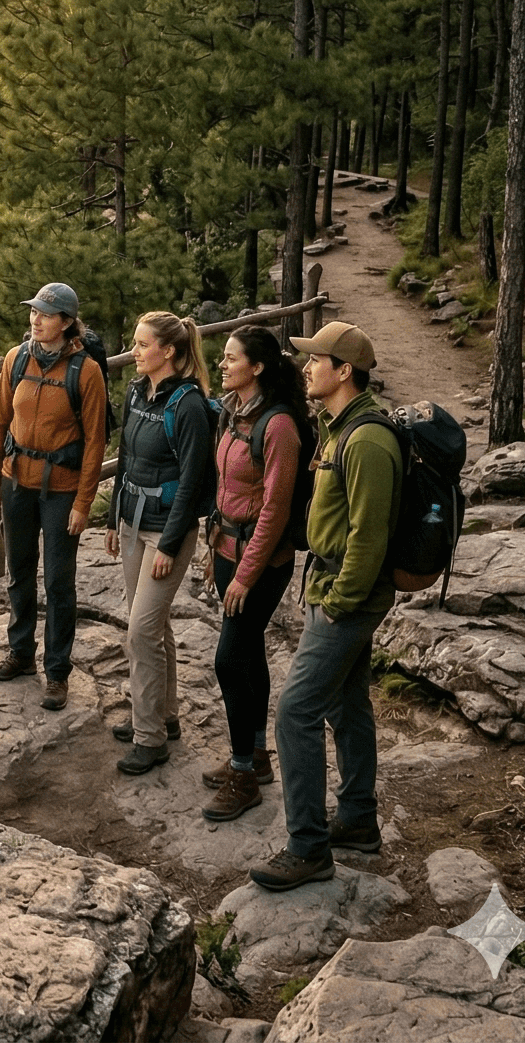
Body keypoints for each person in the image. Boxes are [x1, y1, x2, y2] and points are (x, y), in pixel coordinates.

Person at [251, 321, 393, 892]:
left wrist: (337, 603)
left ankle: (308, 846)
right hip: (331, 586)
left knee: (294, 712)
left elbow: (368, 536)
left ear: (344, 372)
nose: (306, 367)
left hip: (346, 595)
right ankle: (357, 819)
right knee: (345, 703)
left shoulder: (368, 441)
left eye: (317, 360)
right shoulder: (341, 428)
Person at [0, 282, 110, 712]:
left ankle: (56, 672)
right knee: (19, 571)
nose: (35, 319)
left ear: (67, 322)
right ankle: (20, 654)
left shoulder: (86, 371)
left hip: (61, 490)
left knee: (58, 582)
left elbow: (96, 441)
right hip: (17, 480)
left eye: (45, 313)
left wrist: (82, 503)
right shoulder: (15, 360)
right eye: (33, 311)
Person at [202, 325, 308, 821]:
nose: (222, 365)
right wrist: (215, 549)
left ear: (257, 367)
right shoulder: (234, 413)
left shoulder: (279, 426)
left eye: (231, 359)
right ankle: (258, 756)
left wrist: (245, 574)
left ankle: (243, 774)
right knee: (248, 654)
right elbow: (227, 487)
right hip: (228, 550)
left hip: (262, 563)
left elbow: (275, 509)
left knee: (229, 659)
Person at [107, 312, 215, 775]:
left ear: (167, 351)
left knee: (140, 632)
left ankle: (149, 738)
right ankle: (164, 716)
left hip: (167, 530)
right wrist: (113, 519)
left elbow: (192, 482)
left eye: (141, 343)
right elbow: (126, 459)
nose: (134, 350)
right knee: (152, 626)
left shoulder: (188, 406)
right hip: (132, 522)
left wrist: (171, 545)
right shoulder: (137, 392)